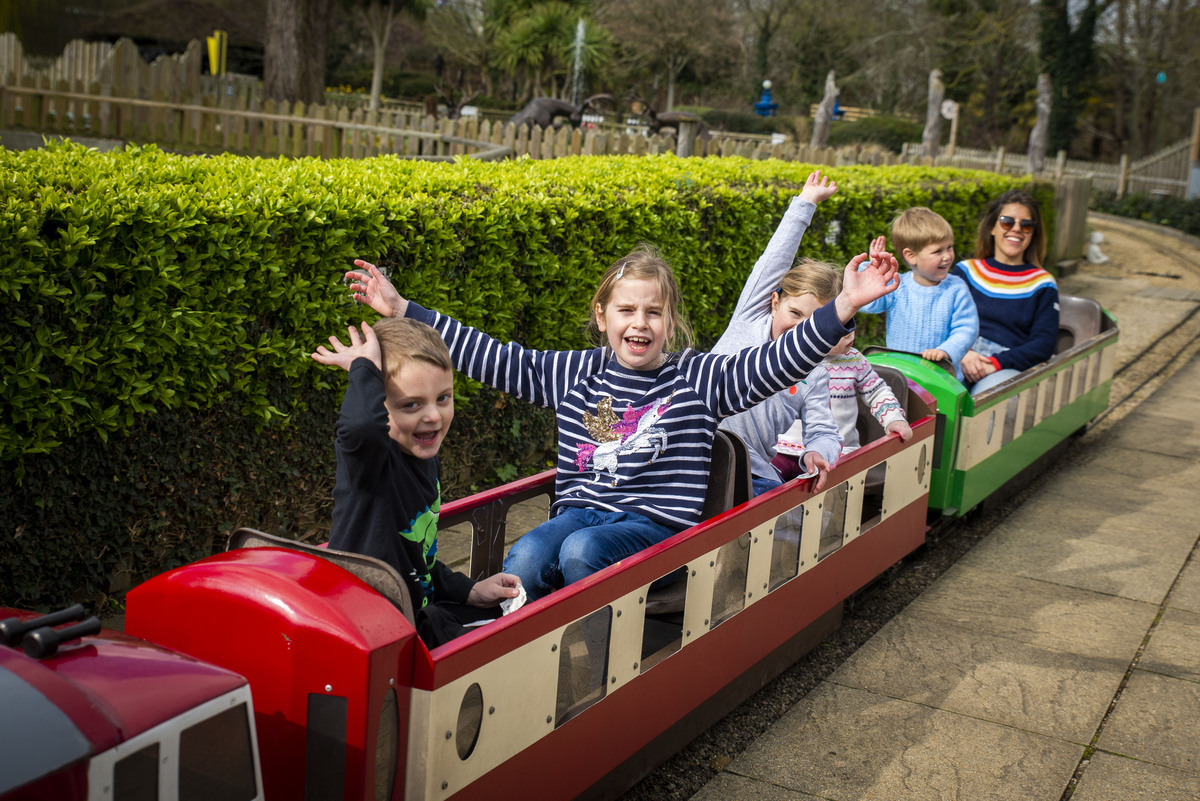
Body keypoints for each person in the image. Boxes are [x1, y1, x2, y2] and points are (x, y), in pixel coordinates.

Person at [343, 243, 899, 601]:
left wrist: (843, 307)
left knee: (582, 551)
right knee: (535, 552)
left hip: (657, 527)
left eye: (653, 312)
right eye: (627, 311)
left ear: (670, 321)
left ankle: (590, 661)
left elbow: (775, 360)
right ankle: (504, 641)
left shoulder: (698, 378)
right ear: (602, 316)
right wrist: (403, 311)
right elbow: (497, 357)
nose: (640, 323)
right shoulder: (574, 372)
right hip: (584, 512)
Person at [311, 316, 522, 647]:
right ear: (379, 408)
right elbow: (360, 428)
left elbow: (417, 561)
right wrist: (364, 368)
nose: (434, 416)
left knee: (515, 616)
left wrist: (468, 591)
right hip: (375, 634)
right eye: (412, 404)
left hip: (414, 615)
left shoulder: (425, 460)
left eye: (443, 398)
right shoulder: (371, 466)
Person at [710, 170, 843, 496]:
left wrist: (818, 452)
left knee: (797, 518)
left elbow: (824, 430)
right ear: (773, 302)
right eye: (794, 313)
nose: (800, 328)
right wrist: (806, 203)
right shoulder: (749, 319)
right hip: (690, 450)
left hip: (747, 469)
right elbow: (772, 262)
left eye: (812, 324)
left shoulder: (814, 373)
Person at [954, 189, 1059, 395]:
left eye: (1026, 225)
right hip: (960, 355)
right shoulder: (965, 271)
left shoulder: (1043, 283)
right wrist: (964, 352)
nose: (1017, 229)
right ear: (992, 228)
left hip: (1004, 367)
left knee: (984, 403)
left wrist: (995, 363)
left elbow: (1044, 343)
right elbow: (944, 320)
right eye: (1007, 221)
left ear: (1033, 234)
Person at [856, 207, 978, 381]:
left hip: (942, 377)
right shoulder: (897, 285)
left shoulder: (956, 288)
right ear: (911, 256)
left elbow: (967, 328)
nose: (947, 256)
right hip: (900, 376)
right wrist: (872, 271)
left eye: (949, 247)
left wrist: (946, 350)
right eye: (938, 251)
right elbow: (868, 304)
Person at [782, 328, 911, 455]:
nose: (849, 332)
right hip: (785, 448)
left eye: (850, 321)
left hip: (840, 452)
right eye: (838, 324)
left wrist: (894, 419)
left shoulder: (853, 360)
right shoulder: (787, 355)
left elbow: (877, 392)